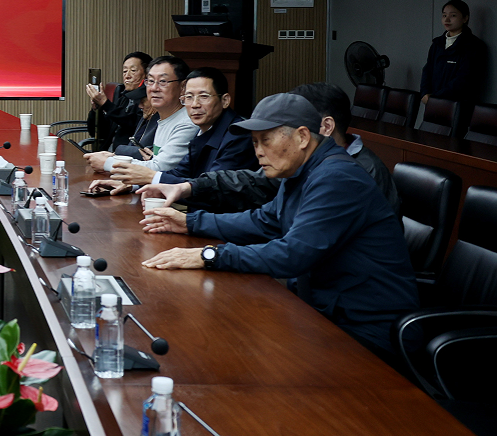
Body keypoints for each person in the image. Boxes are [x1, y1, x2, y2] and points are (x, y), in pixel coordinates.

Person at [141, 93, 417, 353]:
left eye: (266, 140)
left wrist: (209, 255)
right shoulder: (301, 170)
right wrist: (190, 222)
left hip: (366, 329)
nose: (258, 152)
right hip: (322, 311)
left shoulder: (337, 178)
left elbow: (292, 254)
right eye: (254, 142)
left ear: (302, 137)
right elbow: (265, 221)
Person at [139, 81, 400, 215]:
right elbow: (252, 185)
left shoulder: (352, 174)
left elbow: (295, 246)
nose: (259, 151)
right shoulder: (305, 164)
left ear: (324, 127)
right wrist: (188, 191)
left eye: (267, 139)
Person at [91, 67, 254, 188]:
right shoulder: (203, 130)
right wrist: (133, 185)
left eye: (204, 96)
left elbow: (211, 188)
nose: (195, 105)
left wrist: (151, 178)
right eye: (189, 97)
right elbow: (180, 173)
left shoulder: (238, 135)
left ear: (225, 100)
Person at [84, 56, 197, 176]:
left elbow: (159, 169)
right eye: (150, 81)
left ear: (183, 87)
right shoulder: (163, 118)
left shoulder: (187, 123)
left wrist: (108, 162)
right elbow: (155, 167)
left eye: (163, 81)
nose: (154, 88)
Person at [419, 0, 486, 123]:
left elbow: (464, 79)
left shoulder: (473, 45)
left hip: (458, 107)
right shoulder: (437, 44)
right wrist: (425, 93)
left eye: (453, 15)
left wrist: (436, 98)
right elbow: (427, 70)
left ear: (465, 18)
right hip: (433, 105)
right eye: (444, 15)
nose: (447, 19)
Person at [85, 51, 150, 152]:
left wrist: (106, 104)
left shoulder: (148, 99)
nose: (127, 76)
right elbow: (99, 132)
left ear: (147, 74)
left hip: (126, 155)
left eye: (133, 70)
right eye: (124, 71)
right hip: (106, 153)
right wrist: (97, 109)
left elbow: (133, 124)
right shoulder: (124, 96)